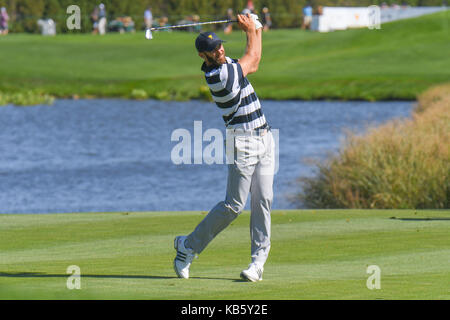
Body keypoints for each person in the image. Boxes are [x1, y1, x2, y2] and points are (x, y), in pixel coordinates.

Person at [173, 14, 275, 282]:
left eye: (220, 45)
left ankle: (258, 263)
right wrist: (251, 29)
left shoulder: (226, 62)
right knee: (234, 206)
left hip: (265, 137)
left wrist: (257, 28)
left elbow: (254, 59)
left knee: (263, 200)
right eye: (214, 49)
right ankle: (188, 247)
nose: (220, 49)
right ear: (203, 56)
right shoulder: (219, 75)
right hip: (243, 142)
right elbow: (251, 61)